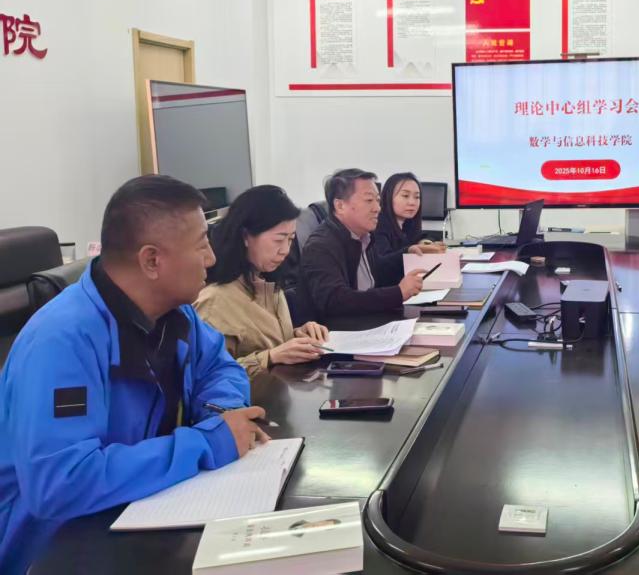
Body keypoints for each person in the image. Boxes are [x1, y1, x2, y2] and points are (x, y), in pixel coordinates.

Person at [0, 175, 265, 575]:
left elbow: (218, 366)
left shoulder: (175, 312)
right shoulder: (62, 342)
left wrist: (219, 412)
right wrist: (206, 442)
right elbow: (60, 482)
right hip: (56, 547)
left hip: (140, 507)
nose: (211, 258)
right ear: (151, 261)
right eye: (201, 245)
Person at [196, 185, 330, 378]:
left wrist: (299, 335)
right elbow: (207, 378)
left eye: (290, 239)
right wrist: (270, 357)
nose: (285, 250)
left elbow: (262, 340)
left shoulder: (267, 283)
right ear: (245, 236)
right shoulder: (214, 301)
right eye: (278, 240)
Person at [301, 168, 426, 320]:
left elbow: (378, 273)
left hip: (369, 320)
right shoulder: (321, 246)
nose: (377, 208)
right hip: (343, 329)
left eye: (377, 200)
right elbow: (335, 301)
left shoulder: (364, 236)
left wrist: (408, 253)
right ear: (340, 206)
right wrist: (398, 293)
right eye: (369, 200)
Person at [371, 173, 447, 267]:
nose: (412, 202)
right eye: (405, 196)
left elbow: (426, 236)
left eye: (417, 197)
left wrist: (425, 242)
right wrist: (409, 251)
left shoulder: (408, 222)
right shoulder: (378, 223)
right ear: (388, 197)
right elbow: (382, 264)